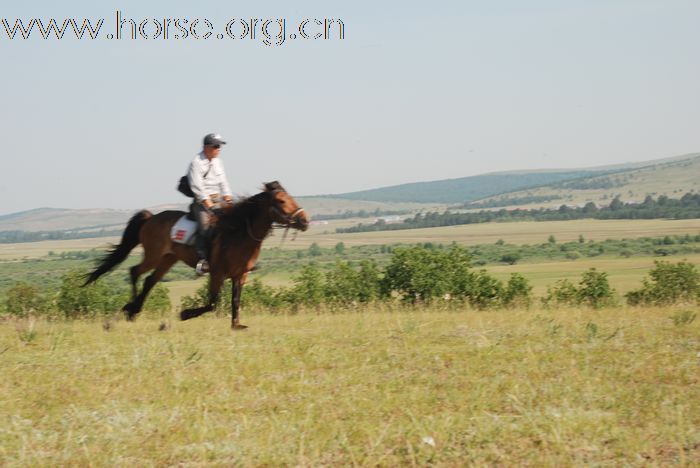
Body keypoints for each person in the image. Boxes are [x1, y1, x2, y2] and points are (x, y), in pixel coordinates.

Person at [187, 133, 234, 275]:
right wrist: (209, 206)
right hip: (202, 203)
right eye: (216, 146)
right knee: (206, 228)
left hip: (218, 200)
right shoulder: (196, 163)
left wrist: (228, 198)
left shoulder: (218, 161)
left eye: (219, 146)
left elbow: (224, 182)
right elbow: (197, 187)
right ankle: (202, 261)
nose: (218, 149)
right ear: (206, 147)